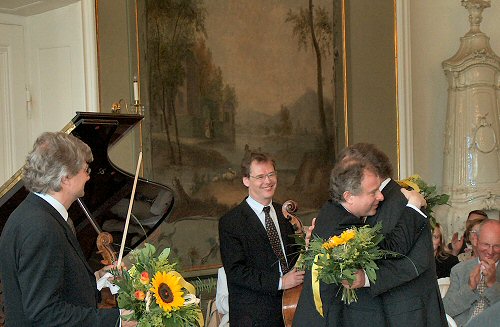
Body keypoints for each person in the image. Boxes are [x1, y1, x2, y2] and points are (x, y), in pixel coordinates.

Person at [0, 132, 135, 326]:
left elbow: (53, 285)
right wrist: (119, 320)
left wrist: (97, 279)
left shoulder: (34, 213)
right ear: (65, 178)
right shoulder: (41, 227)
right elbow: (45, 313)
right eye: (85, 170)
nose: (88, 177)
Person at [293, 155, 429, 327]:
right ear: (349, 196)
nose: (380, 196)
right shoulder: (344, 227)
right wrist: (414, 207)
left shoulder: (331, 210)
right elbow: (393, 248)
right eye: (373, 192)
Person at [218, 152, 304, 327]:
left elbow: (295, 257)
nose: (268, 181)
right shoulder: (231, 222)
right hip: (254, 316)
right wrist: (280, 282)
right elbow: (236, 272)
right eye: (260, 176)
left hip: (291, 308)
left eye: (271, 174)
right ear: (246, 180)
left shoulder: (284, 214)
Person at [443, 219, 500, 327]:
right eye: (486, 244)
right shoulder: (460, 270)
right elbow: (445, 310)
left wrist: (493, 284)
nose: (490, 251)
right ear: (476, 241)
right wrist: (469, 288)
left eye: (497, 246)